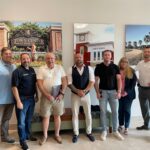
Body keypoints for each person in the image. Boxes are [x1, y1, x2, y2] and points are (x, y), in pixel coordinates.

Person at [37, 52, 67, 145]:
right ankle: (45, 136)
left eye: (52, 58)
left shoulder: (60, 68)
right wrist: (47, 95)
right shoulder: (41, 69)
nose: (50, 60)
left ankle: (57, 135)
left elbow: (65, 81)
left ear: (55, 59)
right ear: (45, 59)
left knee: (57, 116)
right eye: (48, 58)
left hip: (58, 96)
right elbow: (40, 84)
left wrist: (62, 93)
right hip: (46, 97)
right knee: (46, 117)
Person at [94, 50, 124, 141]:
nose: (107, 56)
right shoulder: (98, 67)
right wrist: (97, 92)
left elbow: (119, 80)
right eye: (105, 55)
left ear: (111, 57)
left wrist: (119, 91)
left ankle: (115, 130)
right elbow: (96, 81)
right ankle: (104, 131)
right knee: (103, 112)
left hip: (113, 92)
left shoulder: (115, 67)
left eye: (109, 55)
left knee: (115, 112)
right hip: (103, 92)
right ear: (103, 56)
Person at [67, 53, 95, 143]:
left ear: (82, 58)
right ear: (74, 59)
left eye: (80, 57)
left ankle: (89, 132)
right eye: (76, 57)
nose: (78, 58)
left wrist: (85, 91)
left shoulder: (89, 68)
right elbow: (69, 83)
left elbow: (92, 82)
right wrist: (77, 91)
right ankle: (76, 133)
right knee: (75, 114)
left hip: (86, 95)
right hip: (75, 95)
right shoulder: (70, 69)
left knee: (88, 114)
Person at [12, 53, 37, 150]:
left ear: (30, 59)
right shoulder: (17, 71)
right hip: (22, 99)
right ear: (20, 60)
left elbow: (35, 84)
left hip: (31, 99)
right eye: (23, 59)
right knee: (21, 122)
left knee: (28, 120)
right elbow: (14, 87)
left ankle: (28, 135)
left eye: (27, 58)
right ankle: (22, 141)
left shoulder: (32, 70)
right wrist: (18, 101)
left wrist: (37, 95)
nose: (26, 60)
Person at [0, 47, 16, 143]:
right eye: (6, 53)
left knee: (6, 119)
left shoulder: (13, 66)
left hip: (11, 98)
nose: (8, 55)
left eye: (10, 53)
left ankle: (5, 136)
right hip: (0, 98)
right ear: (2, 54)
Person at [118, 57, 137, 135]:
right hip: (119, 94)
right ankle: (121, 125)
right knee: (120, 110)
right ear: (120, 62)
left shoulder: (131, 71)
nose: (124, 63)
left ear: (127, 63)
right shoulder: (117, 70)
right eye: (122, 62)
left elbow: (133, 84)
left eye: (125, 62)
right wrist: (118, 91)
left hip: (128, 95)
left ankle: (126, 127)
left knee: (127, 110)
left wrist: (126, 92)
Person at [136, 47, 150, 130]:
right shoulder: (140, 63)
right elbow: (134, 72)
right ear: (143, 53)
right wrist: (137, 80)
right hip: (141, 89)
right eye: (145, 52)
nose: (147, 53)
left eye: (148, 52)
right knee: (144, 108)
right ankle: (146, 125)